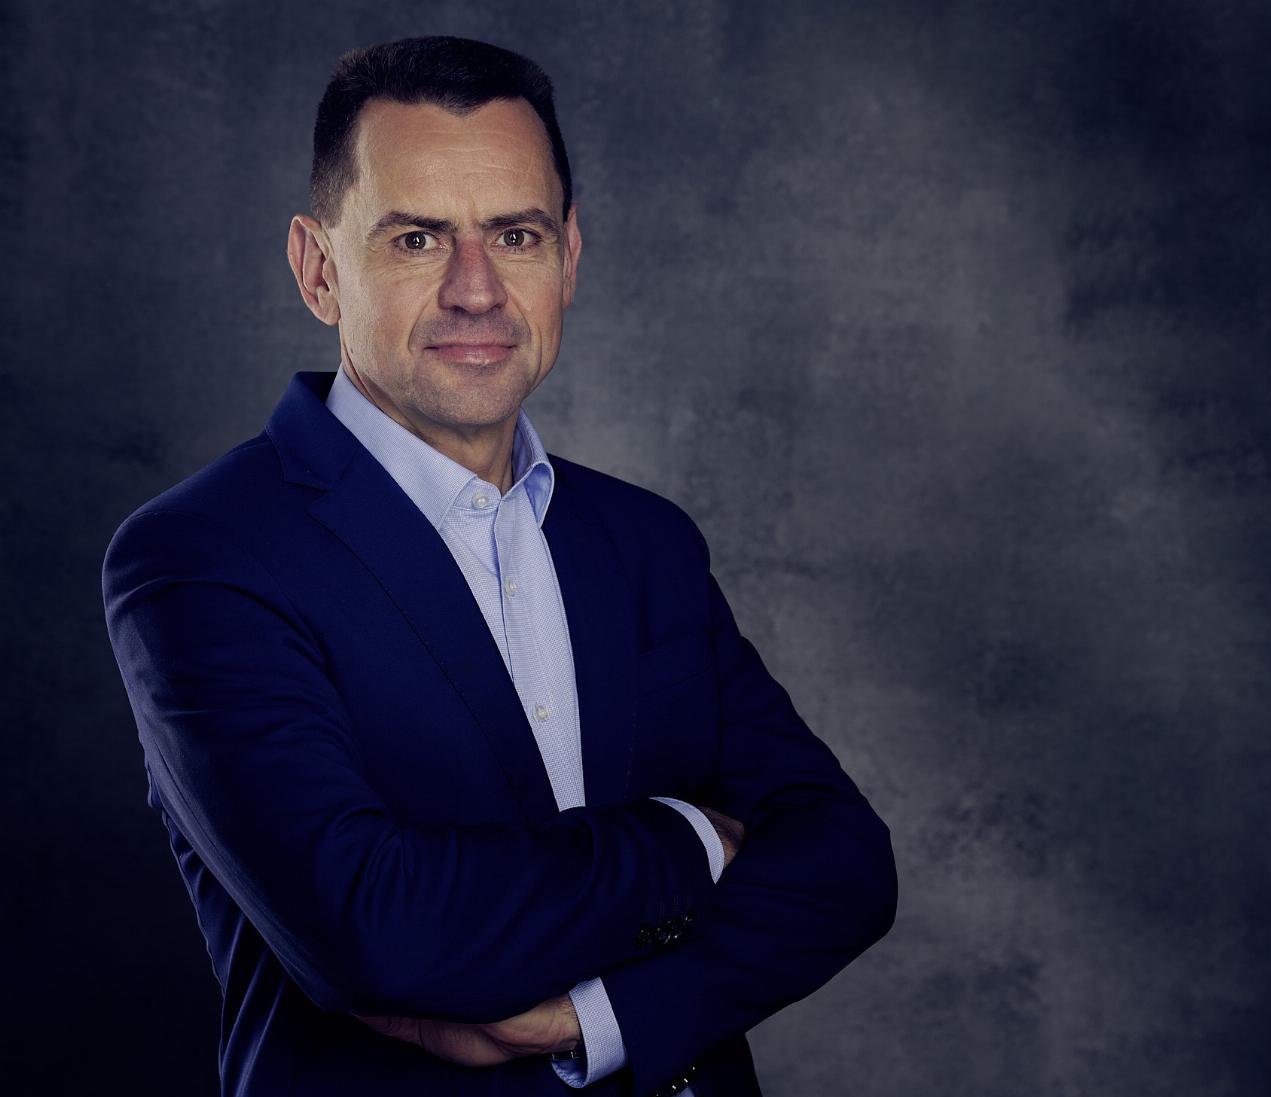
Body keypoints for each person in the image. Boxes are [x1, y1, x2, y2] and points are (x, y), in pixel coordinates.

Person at [102, 35, 896, 1097]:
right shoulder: (203, 557)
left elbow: (845, 862)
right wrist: (690, 837)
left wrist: (595, 1019)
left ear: (567, 258)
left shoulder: (644, 541)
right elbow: (377, 926)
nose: (475, 290)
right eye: (417, 238)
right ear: (318, 268)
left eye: (515, 235)